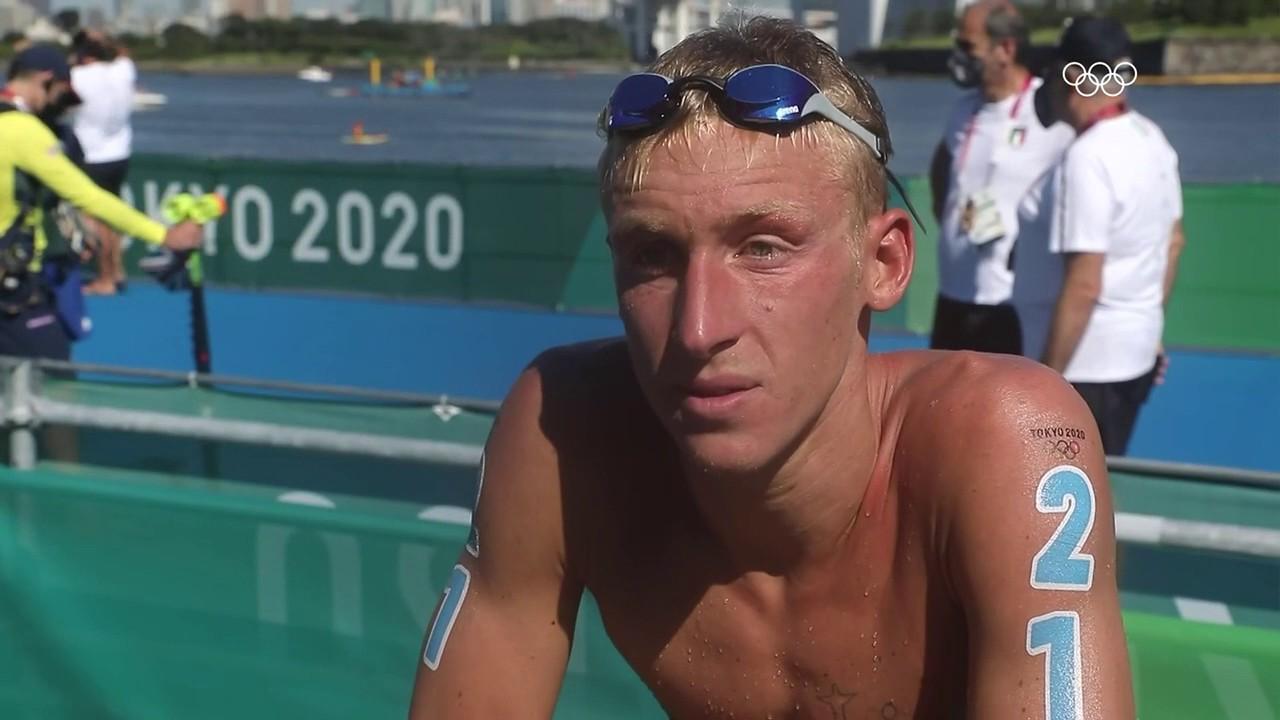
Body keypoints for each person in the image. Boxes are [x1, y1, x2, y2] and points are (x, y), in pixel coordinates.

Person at [408, 17, 1133, 719]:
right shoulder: (566, 436)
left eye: (764, 249)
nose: (698, 330)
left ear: (882, 265)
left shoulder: (1002, 445)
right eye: (653, 255)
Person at [1013, 16, 1184, 457]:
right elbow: (1175, 242)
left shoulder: (1088, 158)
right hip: (1131, 359)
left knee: (1059, 501)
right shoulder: (1152, 138)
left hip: (1087, 369)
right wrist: (1150, 325)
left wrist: (1046, 383)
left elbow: (1085, 281)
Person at [1, 44, 202, 363]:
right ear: (45, 80)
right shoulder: (25, 131)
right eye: (59, 94)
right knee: (53, 384)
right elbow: (87, 195)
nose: (58, 107)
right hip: (13, 291)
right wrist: (164, 236)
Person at [927, 0, 1074, 355]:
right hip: (952, 294)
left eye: (968, 46)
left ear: (1005, 48)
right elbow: (941, 168)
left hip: (1010, 303)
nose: (959, 56)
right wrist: (952, 218)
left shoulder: (1048, 110)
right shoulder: (963, 109)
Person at [71, 30, 138, 295]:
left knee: (97, 220)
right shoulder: (123, 69)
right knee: (110, 216)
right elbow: (122, 53)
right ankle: (117, 271)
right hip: (120, 154)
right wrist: (102, 39)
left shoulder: (80, 76)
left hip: (92, 155)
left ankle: (106, 277)